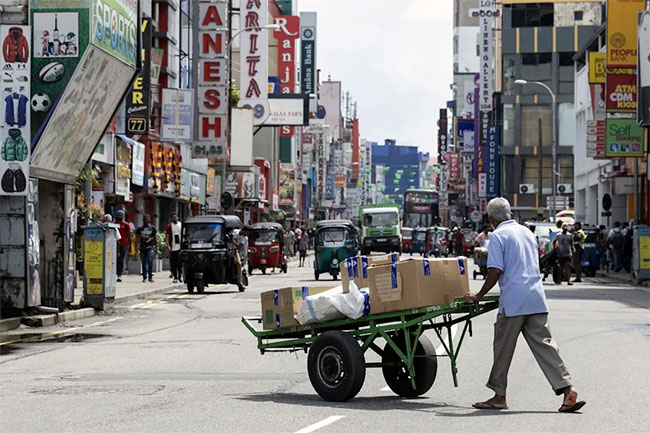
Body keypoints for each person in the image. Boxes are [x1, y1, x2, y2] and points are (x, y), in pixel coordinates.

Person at [465, 197, 585, 413]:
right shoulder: (527, 232)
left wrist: (479, 295)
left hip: (513, 301)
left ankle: (499, 396)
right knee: (546, 346)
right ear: (509, 213)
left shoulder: (498, 236)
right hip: (536, 297)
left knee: (503, 349)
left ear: (491, 219)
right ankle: (568, 390)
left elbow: (495, 270)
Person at [136, 214, 157, 283]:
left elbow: (155, 238)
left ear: (149, 220)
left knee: (150, 261)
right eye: (145, 219)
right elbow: (138, 238)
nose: (146, 220)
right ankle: (144, 277)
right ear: (143, 220)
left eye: (148, 219)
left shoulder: (152, 228)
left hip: (150, 247)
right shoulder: (139, 229)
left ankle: (150, 277)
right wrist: (137, 246)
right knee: (144, 263)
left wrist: (156, 247)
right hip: (142, 248)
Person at [165, 212, 182, 283]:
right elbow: (167, 236)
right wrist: (168, 245)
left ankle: (180, 276)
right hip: (173, 247)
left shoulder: (181, 225)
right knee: (173, 263)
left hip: (180, 247)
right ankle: (175, 276)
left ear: (178, 217)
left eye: (175, 217)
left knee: (180, 263)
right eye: (173, 217)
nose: (174, 218)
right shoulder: (169, 226)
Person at [115, 210, 130, 282]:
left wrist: (129, 246)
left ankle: (119, 275)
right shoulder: (113, 224)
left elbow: (128, 235)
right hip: (113, 245)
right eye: (118, 215)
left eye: (121, 215)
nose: (119, 216)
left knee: (121, 260)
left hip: (123, 244)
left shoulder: (126, 225)